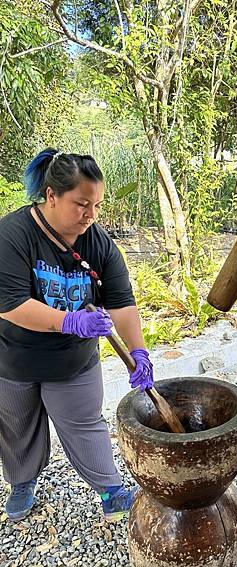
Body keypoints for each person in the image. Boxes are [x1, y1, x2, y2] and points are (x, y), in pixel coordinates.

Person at [0, 148, 154, 523]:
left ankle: (110, 489)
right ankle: (22, 481)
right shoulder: (13, 234)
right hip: (15, 356)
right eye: (82, 204)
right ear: (51, 195)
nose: (91, 215)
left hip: (74, 360)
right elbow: (10, 303)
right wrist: (70, 321)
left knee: (85, 422)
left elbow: (121, 302)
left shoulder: (97, 241)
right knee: (17, 425)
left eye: (97, 205)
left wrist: (139, 352)